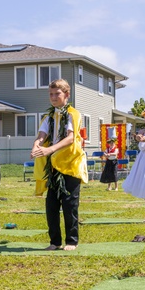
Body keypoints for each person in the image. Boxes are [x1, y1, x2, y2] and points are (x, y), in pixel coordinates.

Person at [32, 79, 88, 251]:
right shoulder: (48, 116)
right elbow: (42, 134)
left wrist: (50, 150)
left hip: (71, 163)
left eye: (57, 94)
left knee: (70, 204)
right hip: (54, 165)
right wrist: (37, 144)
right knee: (52, 204)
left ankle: (71, 241)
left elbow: (71, 138)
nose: (53, 97)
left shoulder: (72, 114)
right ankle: (55, 241)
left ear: (66, 95)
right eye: (51, 94)